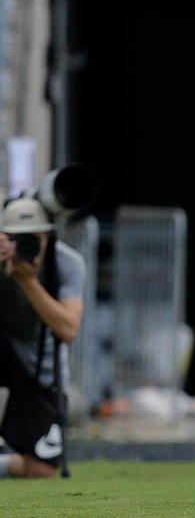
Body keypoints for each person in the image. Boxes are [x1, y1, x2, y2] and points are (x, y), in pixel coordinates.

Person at [0, 197, 85, 478]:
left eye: (34, 238)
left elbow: (68, 329)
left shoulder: (67, 262)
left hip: (41, 366)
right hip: (5, 345)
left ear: (48, 234)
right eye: (16, 238)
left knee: (41, 470)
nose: (26, 246)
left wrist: (28, 281)